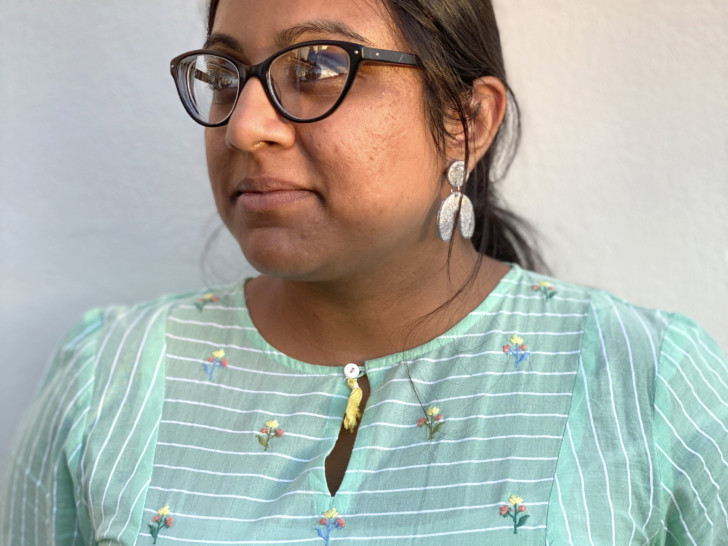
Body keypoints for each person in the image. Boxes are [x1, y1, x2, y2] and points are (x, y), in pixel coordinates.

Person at [2, 0, 726, 544]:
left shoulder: (648, 383)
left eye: (316, 66)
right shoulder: (111, 377)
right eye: (226, 75)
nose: (245, 126)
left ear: (467, 122)